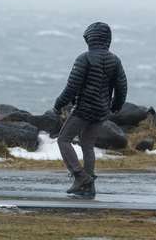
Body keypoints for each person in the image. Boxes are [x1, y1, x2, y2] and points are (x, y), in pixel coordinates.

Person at [53, 21, 127, 197]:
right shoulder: (115, 60)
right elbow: (122, 86)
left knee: (63, 139)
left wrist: (59, 103)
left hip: (84, 109)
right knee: (88, 145)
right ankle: (89, 188)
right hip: (101, 110)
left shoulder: (84, 58)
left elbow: (72, 87)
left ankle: (80, 176)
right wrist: (116, 106)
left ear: (91, 38)